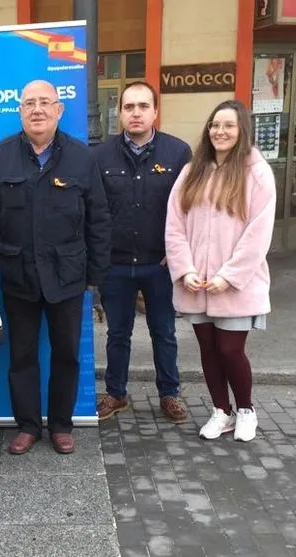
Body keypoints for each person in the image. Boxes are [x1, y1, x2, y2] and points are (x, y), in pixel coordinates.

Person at [0, 80, 111, 456]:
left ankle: (61, 425)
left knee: (66, 354)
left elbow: (98, 221)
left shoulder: (82, 158)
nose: (36, 110)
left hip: (67, 278)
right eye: (29, 104)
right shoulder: (0, 156)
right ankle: (27, 425)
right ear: (19, 111)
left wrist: (94, 278)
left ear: (59, 110)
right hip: (19, 276)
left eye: (44, 103)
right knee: (21, 356)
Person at [164, 99, 276, 443]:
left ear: (242, 129)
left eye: (228, 125)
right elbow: (174, 224)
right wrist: (184, 270)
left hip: (235, 286)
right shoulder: (193, 170)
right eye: (215, 125)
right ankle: (221, 411)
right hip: (197, 284)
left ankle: (245, 409)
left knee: (230, 350)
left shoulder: (256, 172)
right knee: (208, 350)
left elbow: (258, 232)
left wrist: (229, 275)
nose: (220, 132)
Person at [92, 81, 192, 423]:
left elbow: (189, 209)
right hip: (115, 265)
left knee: (163, 331)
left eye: (143, 106)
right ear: (119, 112)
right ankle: (116, 394)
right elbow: (95, 210)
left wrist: (176, 252)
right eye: (129, 106)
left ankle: (169, 393)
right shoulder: (100, 156)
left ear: (154, 112)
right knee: (117, 333)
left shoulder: (178, 153)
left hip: (159, 263)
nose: (136, 113)